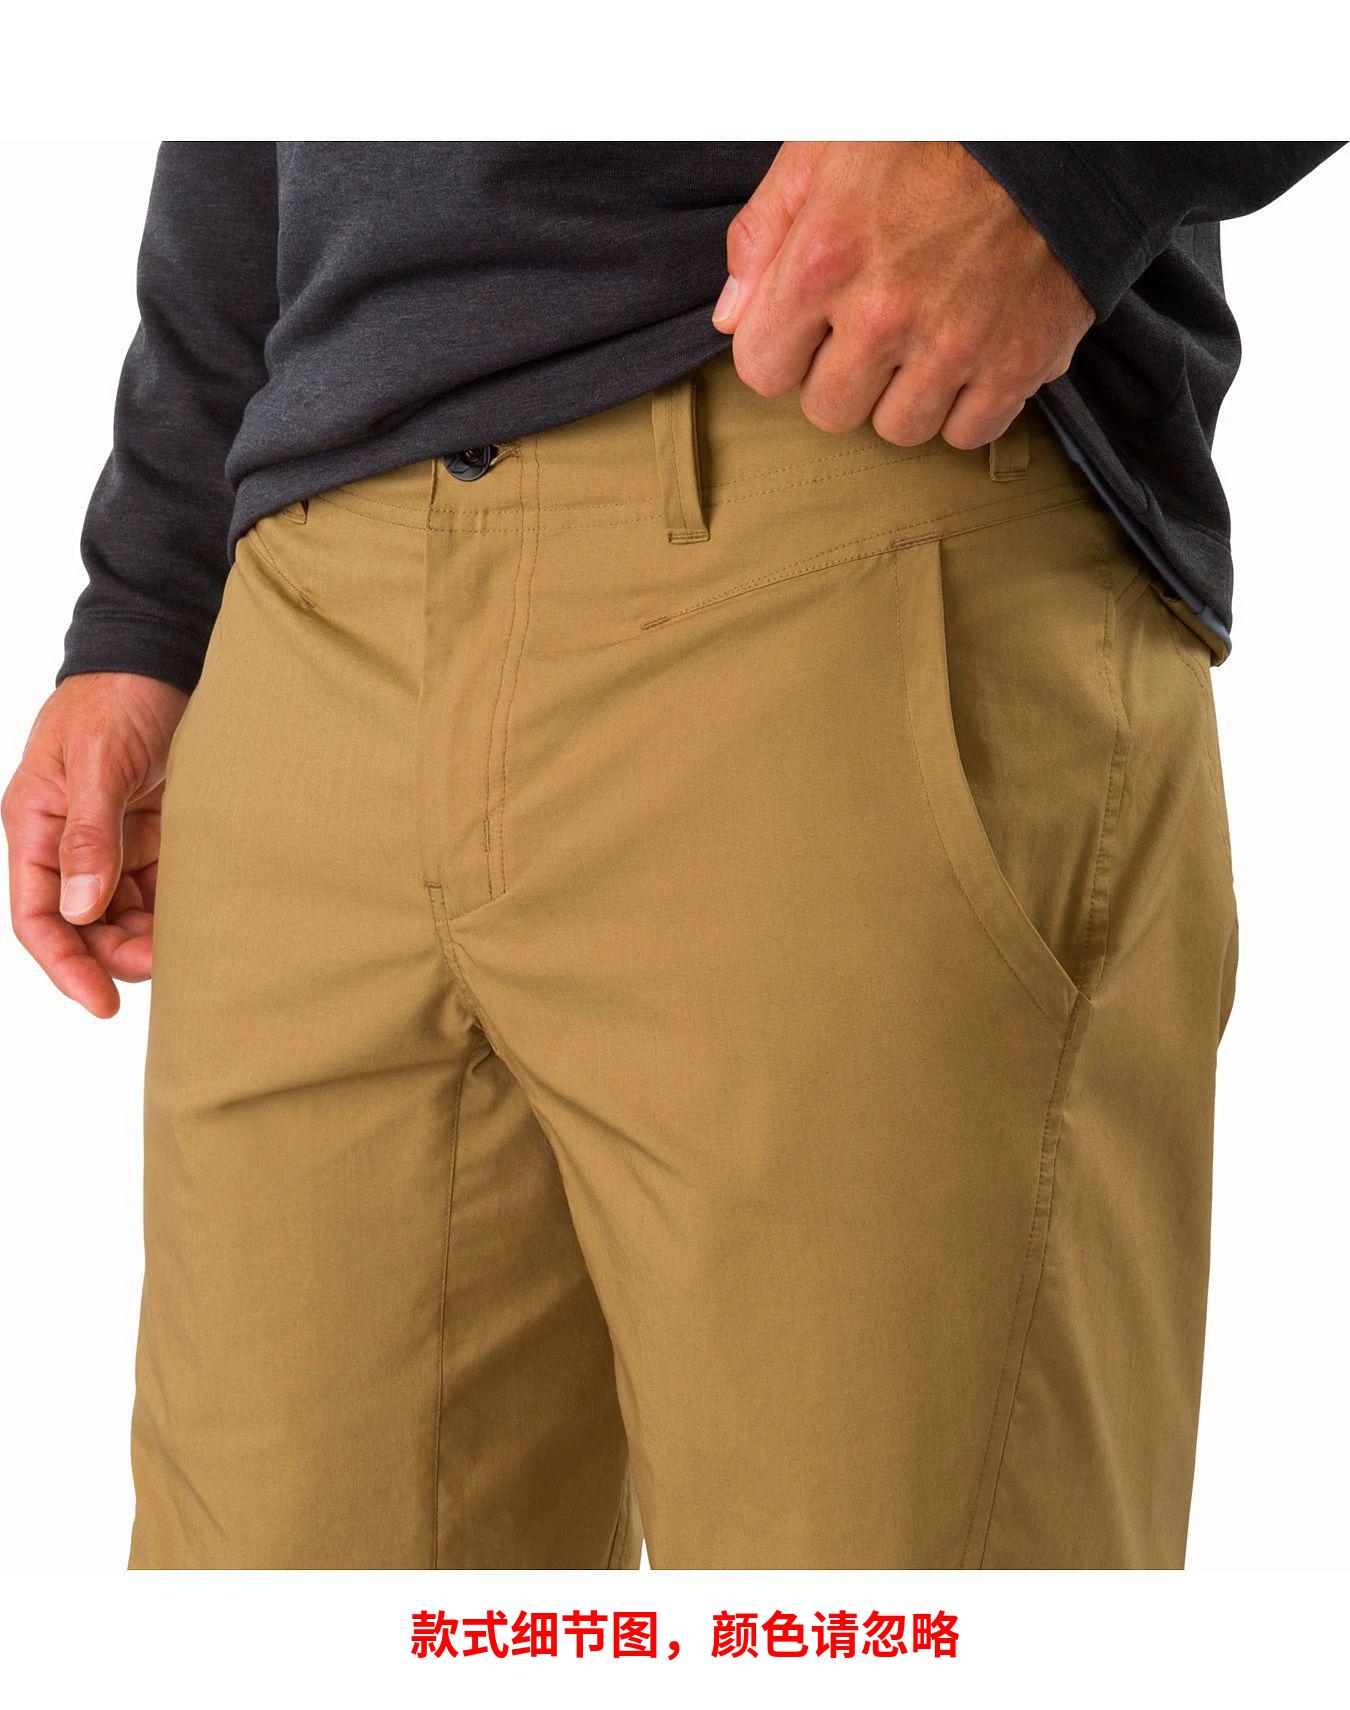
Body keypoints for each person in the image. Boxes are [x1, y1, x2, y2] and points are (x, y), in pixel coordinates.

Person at [3, 141, 1341, 1569]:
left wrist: (1057, 157)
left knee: (883, 1617)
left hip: (841, 480)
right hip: (308, 609)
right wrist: (152, 597)